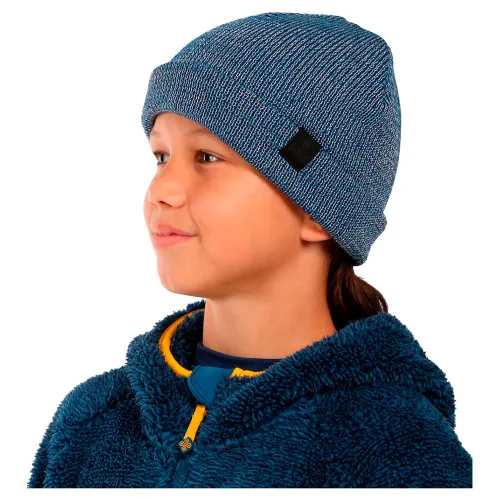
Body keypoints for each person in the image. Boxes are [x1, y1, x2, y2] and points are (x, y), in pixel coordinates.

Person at [28, 12, 473, 488]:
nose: (162, 191)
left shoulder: (396, 451)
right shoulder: (92, 423)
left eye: (207, 157)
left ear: (317, 211)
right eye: (161, 156)